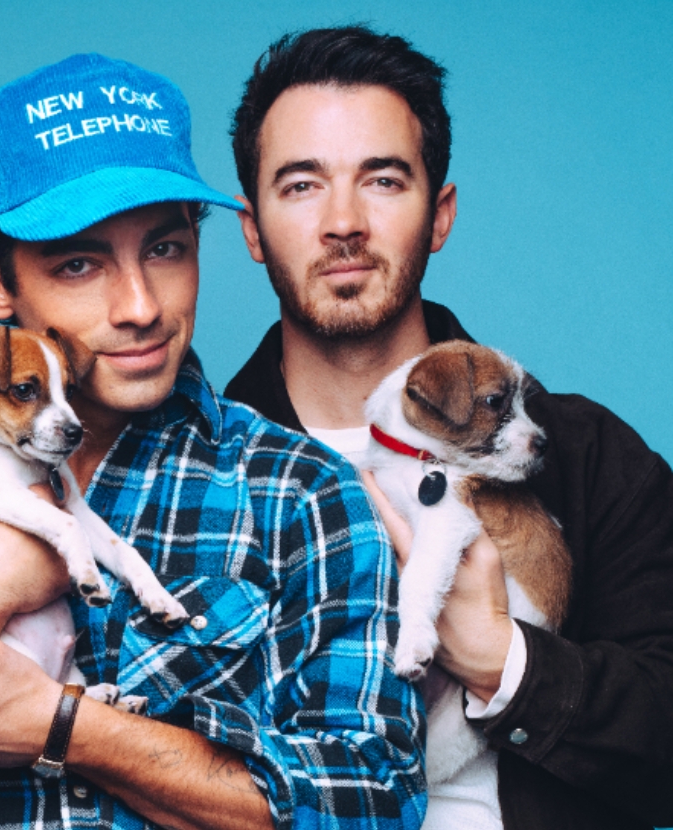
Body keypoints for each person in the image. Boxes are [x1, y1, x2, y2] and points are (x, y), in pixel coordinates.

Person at [0, 52, 425, 830]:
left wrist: (67, 729)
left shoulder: (302, 493)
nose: (139, 305)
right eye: (79, 264)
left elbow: (374, 803)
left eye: (165, 249)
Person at [224, 25, 673, 830]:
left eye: (385, 180)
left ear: (440, 214)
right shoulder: (196, 475)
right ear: (252, 229)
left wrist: (505, 664)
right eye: (300, 185)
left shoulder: (589, 454)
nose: (343, 222)